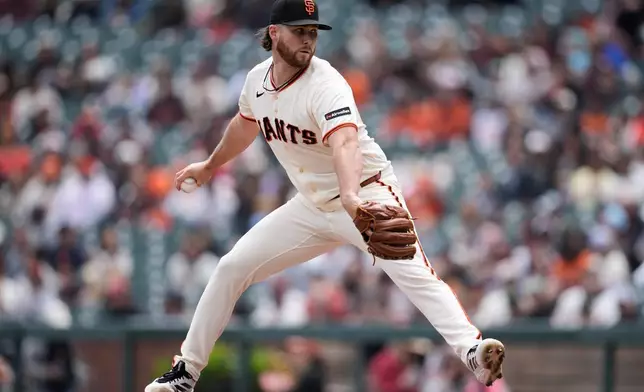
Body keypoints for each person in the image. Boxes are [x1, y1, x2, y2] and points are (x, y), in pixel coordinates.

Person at [145, 0, 505, 390]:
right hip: (312, 205)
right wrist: (211, 165)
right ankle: (185, 374)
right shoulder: (256, 82)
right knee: (231, 267)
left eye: (313, 32)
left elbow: (346, 143)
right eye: (300, 31)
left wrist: (352, 197)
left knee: (414, 273)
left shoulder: (326, 83)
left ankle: (472, 350)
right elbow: (244, 124)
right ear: (274, 33)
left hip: (366, 193)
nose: (308, 40)